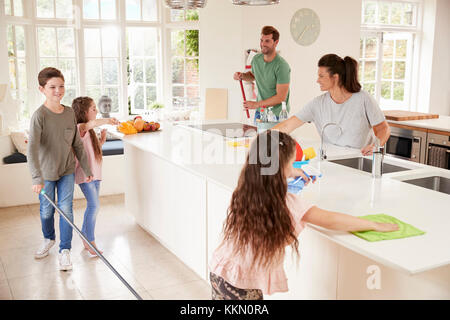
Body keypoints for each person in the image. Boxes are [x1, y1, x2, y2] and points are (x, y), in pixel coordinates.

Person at [209, 130, 398, 300]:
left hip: (220, 270)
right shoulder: (288, 203)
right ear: (281, 168)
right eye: (291, 163)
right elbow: (331, 220)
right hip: (243, 286)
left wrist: (290, 172)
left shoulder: (245, 190)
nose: (293, 168)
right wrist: (374, 225)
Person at [28, 67, 93, 271]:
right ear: (42, 89)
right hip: (46, 174)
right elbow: (31, 149)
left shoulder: (69, 114)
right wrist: (36, 178)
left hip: (66, 170)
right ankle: (49, 239)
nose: (58, 90)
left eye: (61, 86)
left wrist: (86, 167)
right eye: (52, 87)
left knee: (66, 210)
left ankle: (65, 250)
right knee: (46, 211)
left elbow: (77, 144)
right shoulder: (39, 116)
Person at [272, 54, 391, 156]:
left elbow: (383, 129)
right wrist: (261, 139)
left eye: (321, 76)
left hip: (360, 159)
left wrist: (375, 146)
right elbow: (288, 125)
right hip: (331, 160)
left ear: (335, 77)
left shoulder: (363, 99)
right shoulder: (317, 104)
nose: (317, 80)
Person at [72, 97, 119, 257]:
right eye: (93, 108)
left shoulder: (90, 131)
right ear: (83, 112)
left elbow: (92, 150)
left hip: (95, 174)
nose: (96, 110)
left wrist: (102, 141)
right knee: (94, 206)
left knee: (93, 206)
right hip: (85, 174)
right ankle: (90, 240)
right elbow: (91, 124)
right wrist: (107, 120)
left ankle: (84, 235)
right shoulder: (80, 127)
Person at [233, 26, 291, 121]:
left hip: (278, 115)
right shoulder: (256, 59)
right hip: (261, 112)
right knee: (259, 136)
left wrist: (256, 104)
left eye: (267, 41)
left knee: (273, 136)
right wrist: (242, 76)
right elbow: (253, 76)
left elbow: (281, 97)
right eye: (261, 40)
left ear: (276, 42)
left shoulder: (282, 66)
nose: (263, 44)